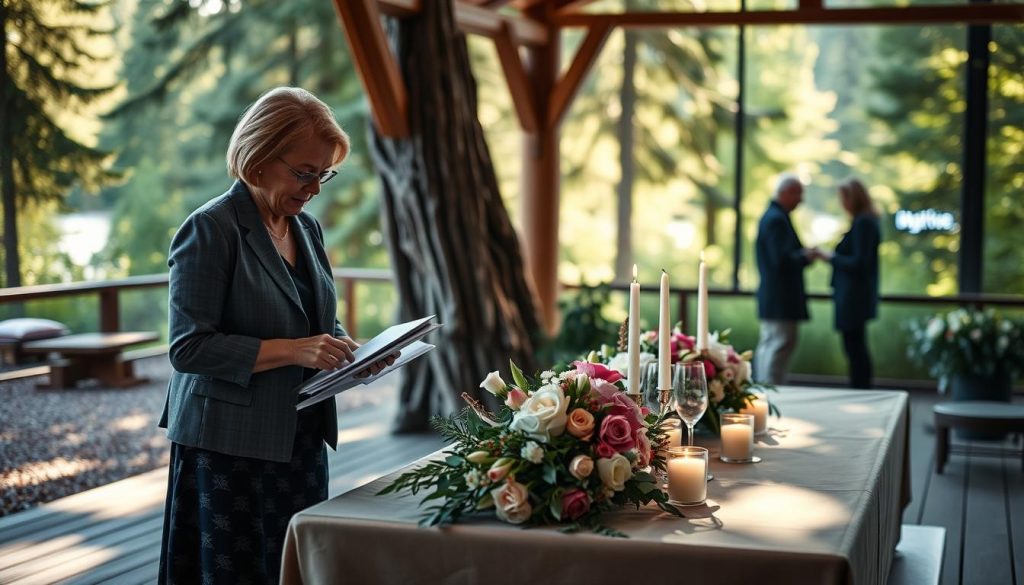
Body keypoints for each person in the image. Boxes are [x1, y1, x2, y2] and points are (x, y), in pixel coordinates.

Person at [157, 87, 393, 585]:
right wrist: (294, 351)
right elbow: (187, 348)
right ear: (258, 160)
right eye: (304, 172)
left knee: (294, 571)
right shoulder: (209, 230)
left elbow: (318, 321)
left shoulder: (305, 228)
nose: (314, 188)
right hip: (228, 449)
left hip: (299, 437)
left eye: (323, 173)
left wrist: (354, 353)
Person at [818, 177, 881, 389]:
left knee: (855, 348)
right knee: (855, 347)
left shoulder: (864, 223)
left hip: (854, 298)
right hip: (854, 297)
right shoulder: (864, 222)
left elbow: (860, 263)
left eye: (843, 198)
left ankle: (861, 391)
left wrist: (831, 258)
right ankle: (860, 389)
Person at [754, 173, 817, 385]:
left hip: (776, 296)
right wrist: (804, 256)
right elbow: (779, 261)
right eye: (798, 194)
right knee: (778, 346)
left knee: (771, 344)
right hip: (780, 296)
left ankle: (766, 392)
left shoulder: (775, 217)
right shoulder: (776, 219)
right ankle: (771, 395)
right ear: (786, 192)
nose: (801, 199)